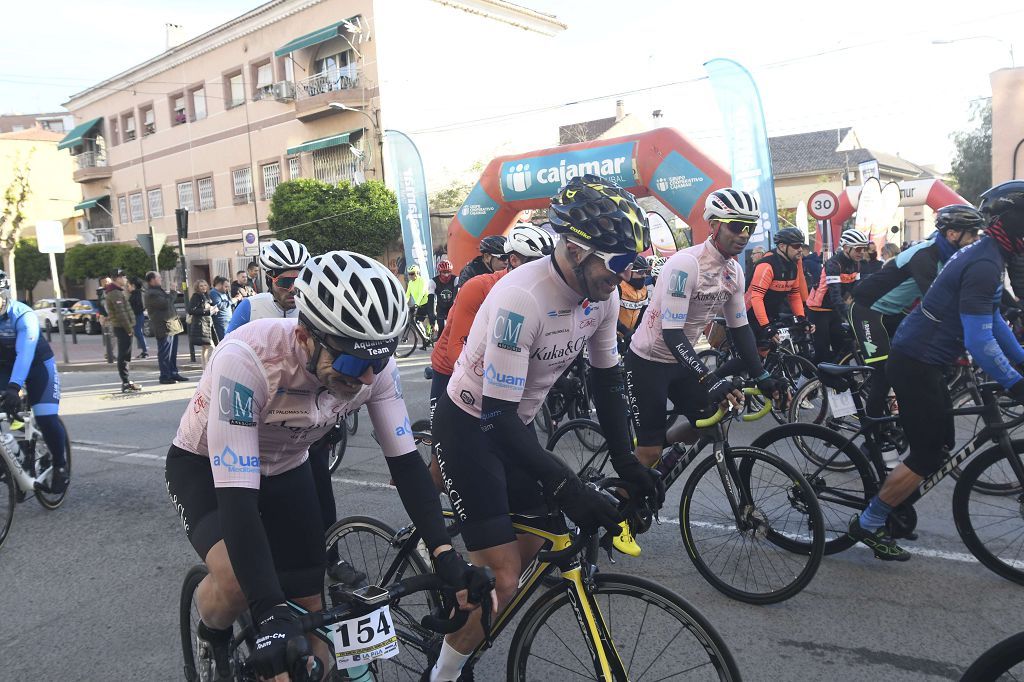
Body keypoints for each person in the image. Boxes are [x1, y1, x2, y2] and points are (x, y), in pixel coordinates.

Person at [165, 251, 493, 682]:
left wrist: (444, 553)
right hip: (207, 466)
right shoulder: (247, 360)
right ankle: (213, 633)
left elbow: (407, 463)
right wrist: (268, 612)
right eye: (354, 363)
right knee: (239, 586)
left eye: (379, 361)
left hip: (287, 464)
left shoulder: (374, 369)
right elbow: (239, 501)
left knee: (313, 618)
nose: (367, 379)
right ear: (304, 336)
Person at [430, 175, 663, 682]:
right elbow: (495, 418)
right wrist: (567, 483)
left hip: (515, 424)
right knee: (504, 578)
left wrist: (627, 461)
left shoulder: (600, 296)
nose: (626, 274)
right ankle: (442, 674)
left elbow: (606, 384)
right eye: (618, 262)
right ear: (577, 251)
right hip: (472, 425)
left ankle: (463, 628)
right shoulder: (523, 299)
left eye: (634, 261)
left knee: (536, 544)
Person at [848, 181, 1024, 560]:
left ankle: (891, 502)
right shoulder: (982, 261)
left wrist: (1020, 362)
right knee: (928, 454)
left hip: (926, 359)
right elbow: (979, 340)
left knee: (940, 446)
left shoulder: (988, 256)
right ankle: (869, 523)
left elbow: (994, 317)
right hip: (915, 360)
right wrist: (1014, 383)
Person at [628, 188, 787, 473]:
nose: (743, 235)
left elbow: (740, 330)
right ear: (714, 225)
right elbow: (672, 333)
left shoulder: (734, 271)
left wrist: (762, 375)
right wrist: (709, 378)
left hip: (681, 361)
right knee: (647, 449)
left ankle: (661, 455)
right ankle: (626, 505)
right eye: (736, 226)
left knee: (709, 421)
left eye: (749, 228)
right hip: (648, 362)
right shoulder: (686, 264)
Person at [849, 205, 983, 434]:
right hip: (868, 311)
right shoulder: (925, 255)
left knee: (908, 363)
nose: (975, 240)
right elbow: (937, 300)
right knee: (884, 374)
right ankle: (872, 436)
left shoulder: (947, 255)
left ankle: (904, 421)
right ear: (952, 234)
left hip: (894, 313)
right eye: (972, 234)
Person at [429, 223, 555, 417]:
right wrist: (487, 385)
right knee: (449, 440)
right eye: (537, 263)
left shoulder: (539, 291)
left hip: (491, 365)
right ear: (514, 260)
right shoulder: (479, 287)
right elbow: (456, 346)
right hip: (450, 366)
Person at [0, 270, 69, 493]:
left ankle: (60, 465)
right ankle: (13, 460)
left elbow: (25, 353)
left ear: (5, 295)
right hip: (5, 365)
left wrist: (14, 387)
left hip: (38, 365)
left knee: (46, 417)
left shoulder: (23, 315)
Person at [806, 229, 866, 362]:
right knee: (822, 354)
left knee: (841, 351)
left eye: (864, 248)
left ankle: (842, 380)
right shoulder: (834, 264)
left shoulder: (856, 264)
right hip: (818, 311)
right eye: (858, 248)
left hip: (834, 310)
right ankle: (804, 381)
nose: (862, 252)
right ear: (845, 248)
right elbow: (835, 295)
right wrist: (849, 316)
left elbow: (856, 291)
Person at [744, 227, 812, 342]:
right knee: (755, 356)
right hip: (750, 313)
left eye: (801, 245)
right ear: (781, 246)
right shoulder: (766, 265)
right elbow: (756, 298)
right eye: (796, 246)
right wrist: (766, 326)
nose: (800, 249)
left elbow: (794, 296)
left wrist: (801, 318)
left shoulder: (793, 266)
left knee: (775, 351)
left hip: (771, 312)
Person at [227, 240, 309, 333]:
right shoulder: (250, 307)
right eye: (284, 282)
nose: (293, 289)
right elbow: (228, 344)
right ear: (269, 281)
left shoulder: (312, 309)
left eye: (298, 281)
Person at [144, 271, 188, 385]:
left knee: (172, 352)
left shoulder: (158, 291)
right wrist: (173, 291)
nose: (161, 279)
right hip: (163, 327)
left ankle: (173, 373)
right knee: (165, 353)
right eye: (159, 277)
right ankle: (165, 376)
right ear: (152, 280)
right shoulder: (151, 293)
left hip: (171, 324)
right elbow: (165, 304)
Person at [104, 270, 142, 393]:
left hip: (123, 327)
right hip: (122, 327)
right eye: (123, 277)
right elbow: (121, 313)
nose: (125, 279)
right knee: (124, 355)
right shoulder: (114, 293)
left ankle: (126, 381)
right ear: (116, 278)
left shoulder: (118, 291)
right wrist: (129, 329)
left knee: (126, 355)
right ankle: (125, 382)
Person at [616, 254, 650, 354]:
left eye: (646, 272)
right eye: (640, 272)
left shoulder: (644, 290)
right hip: (614, 334)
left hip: (630, 335)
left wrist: (636, 333)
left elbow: (643, 313)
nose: (644, 275)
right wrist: (624, 332)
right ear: (629, 272)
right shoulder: (619, 287)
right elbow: (610, 315)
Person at [187, 280, 217, 368]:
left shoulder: (206, 295)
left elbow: (210, 306)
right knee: (210, 346)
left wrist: (213, 309)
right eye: (201, 286)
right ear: (197, 287)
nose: (203, 287)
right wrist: (207, 311)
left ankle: (205, 366)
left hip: (208, 323)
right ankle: (207, 366)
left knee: (206, 347)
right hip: (201, 324)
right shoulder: (196, 296)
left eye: (205, 285)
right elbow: (191, 310)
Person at [405, 265, 434, 339]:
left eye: (412, 273)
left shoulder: (422, 281)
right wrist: (404, 304)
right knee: (417, 321)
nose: (410, 276)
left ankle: (429, 334)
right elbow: (407, 295)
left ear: (417, 273)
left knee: (429, 319)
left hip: (428, 303)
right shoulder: (410, 283)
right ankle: (425, 336)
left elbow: (422, 293)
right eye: (409, 274)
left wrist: (416, 304)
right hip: (420, 304)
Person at [431, 260, 457, 337]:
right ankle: (439, 345)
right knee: (441, 328)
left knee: (453, 328)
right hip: (441, 307)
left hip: (452, 307)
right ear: (439, 272)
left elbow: (457, 297)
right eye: (444, 272)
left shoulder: (455, 279)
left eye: (448, 272)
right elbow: (430, 300)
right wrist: (432, 317)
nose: (446, 275)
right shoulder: (433, 281)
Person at [128, 276, 148, 359]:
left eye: (128, 285)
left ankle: (145, 351)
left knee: (138, 333)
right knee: (138, 333)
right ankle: (144, 351)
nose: (127, 287)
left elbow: (137, 307)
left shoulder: (136, 294)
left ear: (133, 285)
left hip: (137, 315)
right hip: (139, 315)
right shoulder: (138, 293)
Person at [208, 276, 231, 344]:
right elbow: (218, 305)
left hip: (228, 319)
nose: (227, 289)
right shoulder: (214, 293)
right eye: (226, 286)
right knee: (224, 340)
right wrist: (232, 301)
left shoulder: (224, 293)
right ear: (220, 285)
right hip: (221, 321)